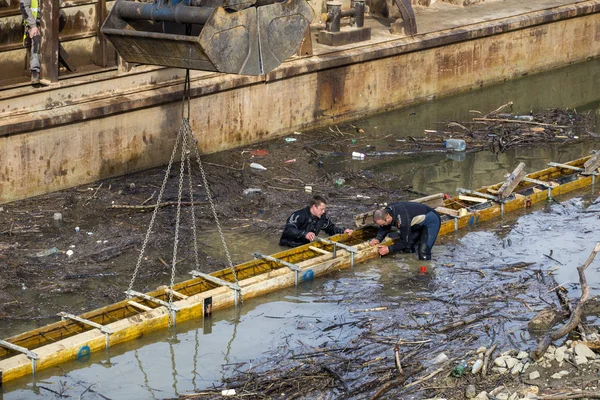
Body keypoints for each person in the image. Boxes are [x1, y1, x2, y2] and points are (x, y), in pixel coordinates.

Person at [369, 202, 440, 260]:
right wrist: (378, 238)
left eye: (383, 224)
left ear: (387, 218)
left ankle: (425, 274)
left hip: (431, 221)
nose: (382, 226)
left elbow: (405, 241)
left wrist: (388, 249)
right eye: (380, 225)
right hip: (415, 223)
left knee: (423, 252)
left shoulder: (402, 220)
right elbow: (384, 227)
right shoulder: (388, 211)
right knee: (407, 249)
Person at [279, 195, 353, 247]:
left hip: (305, 245)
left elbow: (331, 229)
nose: (323, 211)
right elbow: (288, 230)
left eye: (324, 209)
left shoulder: (322, 217)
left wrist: (343, 231)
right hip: (289, 245)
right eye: (321, 209)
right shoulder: (299, 215)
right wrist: (305, 234)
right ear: (314, 207)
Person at [20, 0, 41, 85]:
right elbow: (24, 7)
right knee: (37, 40)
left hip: (48, 22)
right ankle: (35, 71)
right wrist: (33, 26)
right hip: (33, 23)